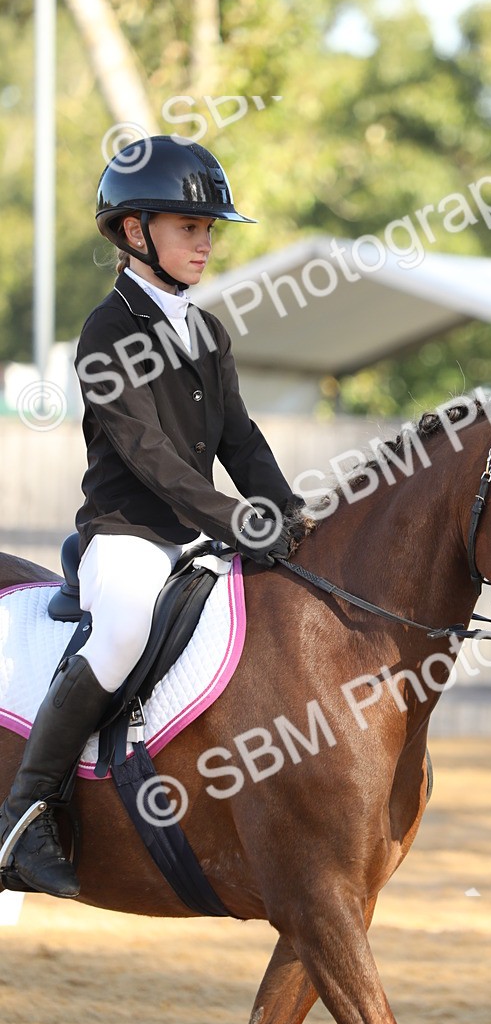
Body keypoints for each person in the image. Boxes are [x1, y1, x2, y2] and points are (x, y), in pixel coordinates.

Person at [0, 136, 302, 899]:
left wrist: (288, 513)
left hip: (196, 537)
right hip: (128, 537)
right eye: (188, 228)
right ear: (136, 233)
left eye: (209, 230)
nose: (204, 243)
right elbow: (149, 458)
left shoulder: (208, 332)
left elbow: (242, 441)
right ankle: (24, 814)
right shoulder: (108, 330)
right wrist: (236, 520)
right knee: (126, 623)